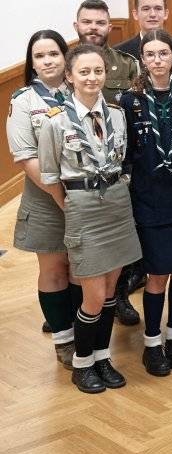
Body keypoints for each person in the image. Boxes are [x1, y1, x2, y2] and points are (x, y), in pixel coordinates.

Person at [37, 44, 143, 393]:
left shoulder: (116, 114)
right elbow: (50, 176)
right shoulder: (55, 121)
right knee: (93, 296)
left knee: (111, 290)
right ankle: (82, 364)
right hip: (82, 206)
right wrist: (71, 207)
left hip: (117, 203)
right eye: (84, 72)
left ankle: (102, 357)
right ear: (69, 76)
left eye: (98, 71)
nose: (92, 78)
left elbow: (123, 159)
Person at [120, 31, 172, 376]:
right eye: (150, 54)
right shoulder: (130, 100)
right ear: (142, 59)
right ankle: (152, 343)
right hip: (148, 197)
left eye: (163, 53)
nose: (157, 60)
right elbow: (125, 152)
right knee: (156, 274)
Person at [7, 30, 76, 367]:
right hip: (46, 199)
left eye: (53, 54)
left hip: (85, 196)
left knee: (82, 269)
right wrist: (63, 199)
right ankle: (64, 339)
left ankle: (83, 332)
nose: (48, 61)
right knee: (53, 268)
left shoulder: (81, 89)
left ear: (65, 57)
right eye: (40, 56)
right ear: (32, 63)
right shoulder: (23, 101)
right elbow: (26, 157)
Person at [72, 0, 142, 325]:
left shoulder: (127, 65)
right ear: (76, 26)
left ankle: (119, 297)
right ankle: (79, 303)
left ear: (110, 27)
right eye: (87, 22)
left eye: (100, 22)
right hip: (78, 167)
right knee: (79, 244)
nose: (93, 28)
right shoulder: (67, 63)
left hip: (119, 164)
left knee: (119, 240)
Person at [116, 0, 172, 67]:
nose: (152, 14)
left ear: (166, 14)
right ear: (135, 14)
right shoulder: (120, 52)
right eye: (146, 9)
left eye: (158, 8)